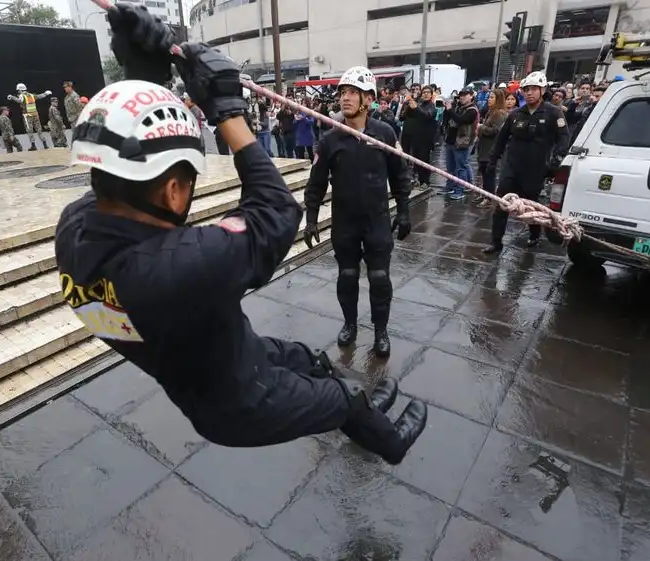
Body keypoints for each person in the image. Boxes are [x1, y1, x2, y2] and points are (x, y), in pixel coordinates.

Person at [55, 4, 427, 466]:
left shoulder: (74, 230)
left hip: (219, 352)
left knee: (312, 362)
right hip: (240, 401)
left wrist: (143, 72)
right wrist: (228, 111)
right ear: (173, 190)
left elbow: (116, 159)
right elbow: (275, 210)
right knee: (343, 399)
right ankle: (388, 441)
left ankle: (353, 402)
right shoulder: (179, 266)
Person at [302, 66, 412, 357]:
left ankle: (380, 331)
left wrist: (404, 211)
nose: (345, 98)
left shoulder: (384, 134)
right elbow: (316, 183)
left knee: (379, 278)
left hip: (376, 221)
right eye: (342, 93)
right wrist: (311, 218)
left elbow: (400, 176)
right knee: (347, 275)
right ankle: (350, 323)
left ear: (368, 99)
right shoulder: (330, 139)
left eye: (353, 92)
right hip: (344, 224)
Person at [485, 70, 570, 253]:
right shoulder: (515, 114)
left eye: (533, 89)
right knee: (502, 204)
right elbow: (501, 138)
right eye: (526, 89)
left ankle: (534, 234)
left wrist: (557, 159)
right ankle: (496, 241)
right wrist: (493, 159)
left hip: (535, 168)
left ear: (542, 90)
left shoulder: (553, 113)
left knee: (531, 205)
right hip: (512, 166)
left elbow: (564, 138)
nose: (529, 93)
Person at [473, 88, 509, 207]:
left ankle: (489, 198)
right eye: (489, 97)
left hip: (491, 149)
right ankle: (484, 194)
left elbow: (496, 131)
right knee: (484, 173)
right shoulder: (491, 112)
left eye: (492, 97)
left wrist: (481, 127)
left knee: (489, 175)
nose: (489, 99)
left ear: (498, 99)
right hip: (484, 148)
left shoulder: (500, 113)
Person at [441, 88, 479, 201]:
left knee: (460, 168)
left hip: (462, 142)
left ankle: (460, 190)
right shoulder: (457, 107)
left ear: (471, 96)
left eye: (465, 95)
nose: (462, 97)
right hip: (450, 140)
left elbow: (461, 120)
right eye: (461, 95)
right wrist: (447, 109)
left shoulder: (472, 110)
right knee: (450, 167)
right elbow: (446, 120)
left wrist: (450, 110)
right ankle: (451, 187)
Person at [399, 84, 436, 188]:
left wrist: (416, 108)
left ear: (431, 95)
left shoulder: (432, 106)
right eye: (424, 92)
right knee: (416, 160)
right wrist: (409, 106)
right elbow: (404, 116)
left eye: (427, 93)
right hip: (416, 137)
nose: (425, 94)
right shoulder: (418, 103)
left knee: (424, 160)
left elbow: (427, 116)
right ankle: (418, 179)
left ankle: (426, 182)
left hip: (426, 139)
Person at [7, 83, 52, 150]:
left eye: (18, 90)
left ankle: (33, 146)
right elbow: (39, 96)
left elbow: (19, 101)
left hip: (27, 116)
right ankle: (45, 145)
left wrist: (12, 97)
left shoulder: (22, 95)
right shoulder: (31, 95)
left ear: (20, 90)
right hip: (35, 115)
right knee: (39, 130)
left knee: (29, 131)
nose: (18, 91)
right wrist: (45, 93)